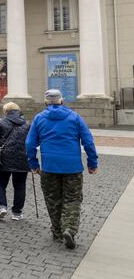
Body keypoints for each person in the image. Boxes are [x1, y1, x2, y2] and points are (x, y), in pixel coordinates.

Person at [26, 89, 98, 249]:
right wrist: (92, 163)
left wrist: (33, 164)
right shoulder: (75, 117)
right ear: (61, 101)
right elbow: (88, 141)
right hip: (72, 167)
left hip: (49, 166)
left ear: (46, 102)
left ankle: (58, 231)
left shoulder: (39, 118)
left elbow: (29, 144)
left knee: (53, 199)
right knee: (72, 199)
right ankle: (69, 229)